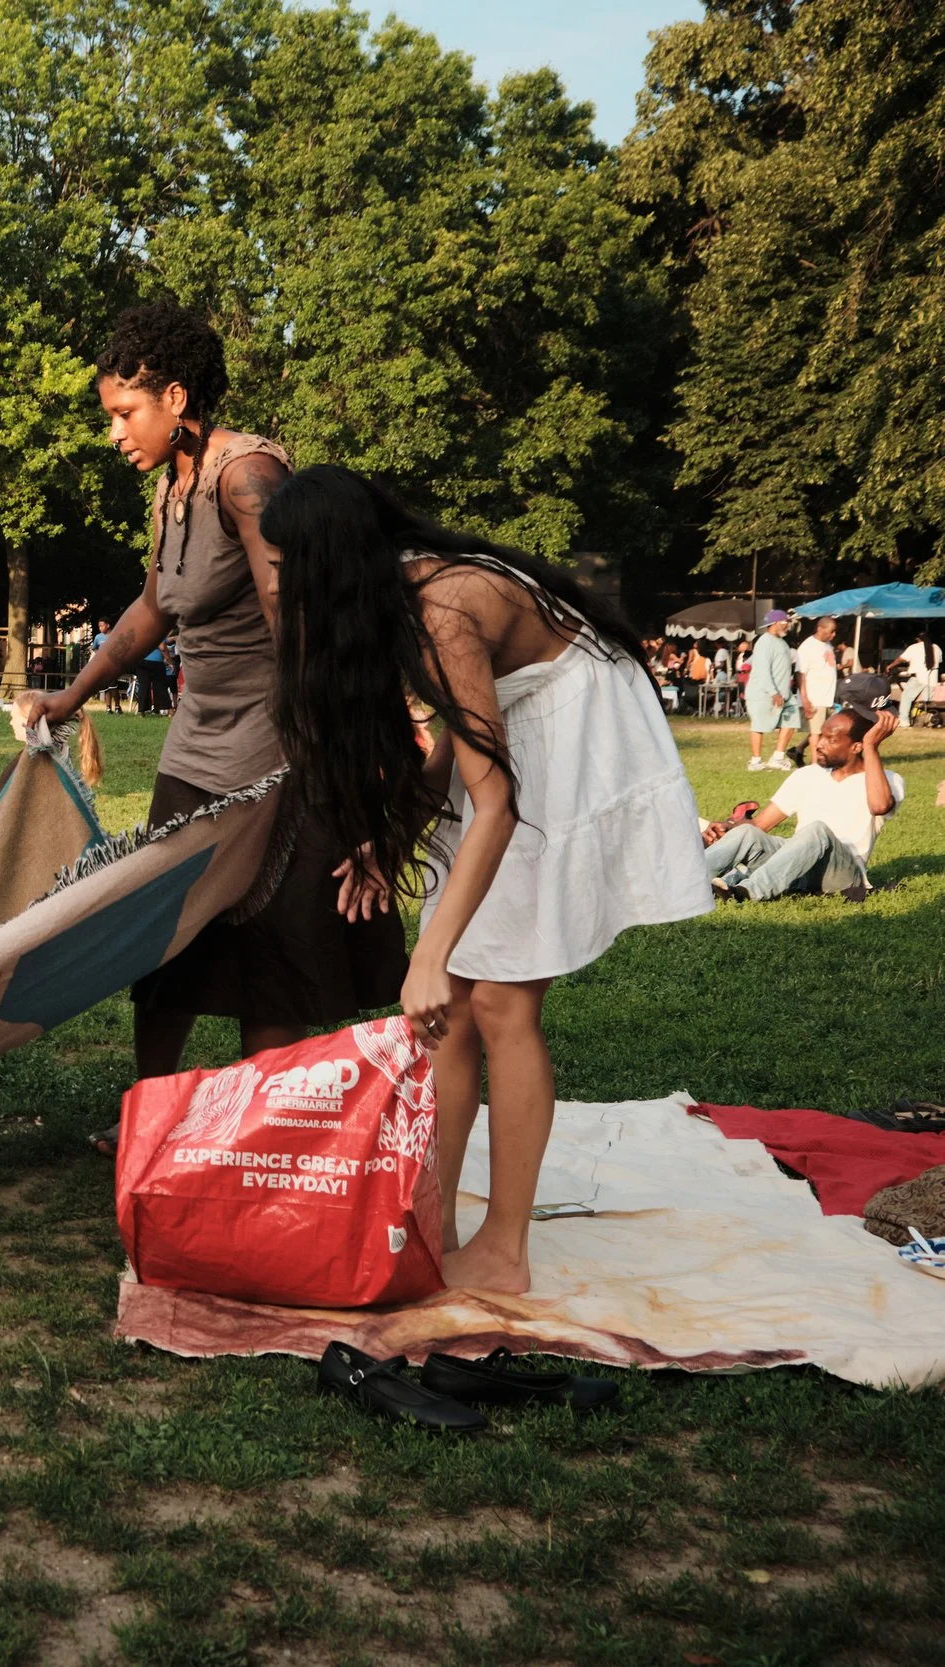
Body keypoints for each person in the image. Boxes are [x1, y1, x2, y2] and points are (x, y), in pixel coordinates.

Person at [262, 465, 710, 1295]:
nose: (281, 582)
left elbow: (496, 800)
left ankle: (504, 1252)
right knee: (455, 1014)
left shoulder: (442, 608)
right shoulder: (409, 604)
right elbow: (460, 742)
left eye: (289, 566)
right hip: (522, 728)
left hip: (577, 724)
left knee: (499, 999)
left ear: (328, 560)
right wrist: (391, 845)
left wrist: (428, 952)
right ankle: (438, 1222)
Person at [33, 303, 406, 1091]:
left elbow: (299, 627)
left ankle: (252, 1130)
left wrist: (341, 775)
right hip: (196, 748)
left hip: (275, 757)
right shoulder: (174, 487)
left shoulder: (247, 477)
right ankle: (149, 1108)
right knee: (164, 936)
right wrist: (68, 698)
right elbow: (149, 612)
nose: (114, 433)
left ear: (175, 397)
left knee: (271, 952)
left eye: (124, 413)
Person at [703, 710, 900, 901]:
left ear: (857, 747)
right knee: (747, 832)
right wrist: (727, 828)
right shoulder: (807, 775)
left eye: (830, 740)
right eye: (820, 736)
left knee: (816, 830)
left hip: (843, 874)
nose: (819, 745)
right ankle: (687, 880)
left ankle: (745, 892)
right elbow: (760, 825)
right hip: (799, 862)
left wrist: (871, 747)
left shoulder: (886, 779)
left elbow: (879, 806)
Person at [745, 611, 799, 771]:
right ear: (777, 623)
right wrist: (773, 692)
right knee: (759, 725)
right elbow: (762, 670)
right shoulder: (764, 642)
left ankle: (778, 757)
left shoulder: (782, 642)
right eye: (786, 622)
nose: (788, 625)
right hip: (763, 693)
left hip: (784, 694)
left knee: (792, 720)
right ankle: (755, 761)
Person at [797, 615, 840, 739]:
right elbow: (801, 674)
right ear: (820, 629)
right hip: (815, 697)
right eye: (831, 631)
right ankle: (816, 759)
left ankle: (799, 750)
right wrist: (805, 699)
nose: (834, 634)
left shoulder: (828, 645)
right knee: (816, 733)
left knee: (824, 730)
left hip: (827, 697)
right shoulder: (808, 647)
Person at [891, 634, 940, 724]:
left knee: (906, 698)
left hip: (919, 677)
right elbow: (938, 661)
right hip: (932, 679)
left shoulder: (914, 647)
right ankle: (928, 720)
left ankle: (904, 721)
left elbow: (901, 659)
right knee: (925, 701)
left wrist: (890, 666)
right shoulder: (936, 647)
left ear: (917, 638)